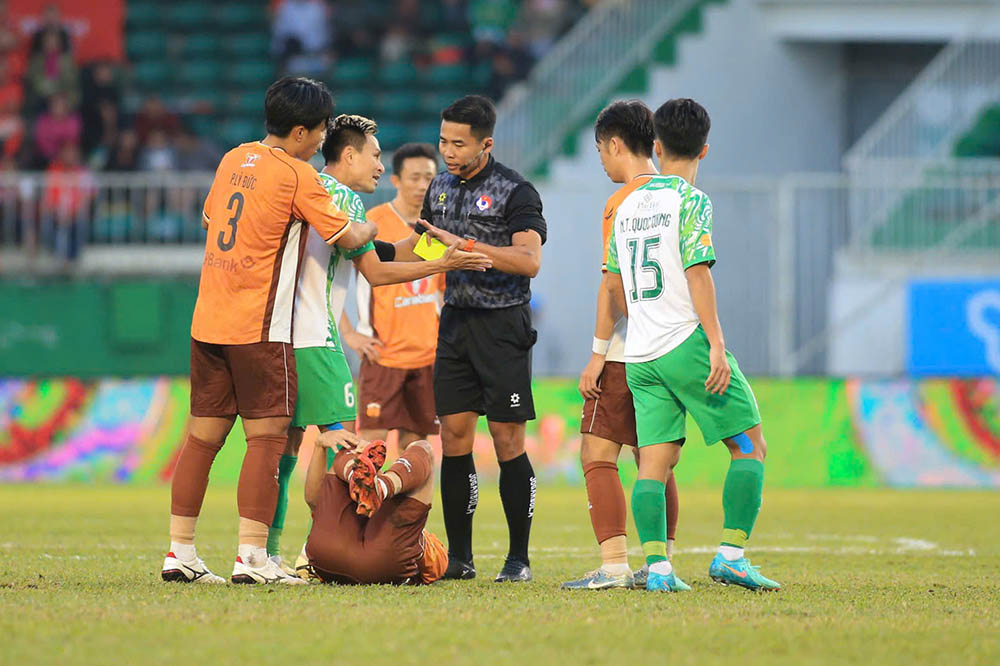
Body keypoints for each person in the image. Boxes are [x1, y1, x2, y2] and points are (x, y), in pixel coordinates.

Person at [160, 77, 377, 586]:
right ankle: (254, 558)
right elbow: (346, 233)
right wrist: (370, 230)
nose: (324, 140)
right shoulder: (299, 174)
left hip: (208, 320)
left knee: (201, 440)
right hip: (261, 326)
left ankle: (180, 552)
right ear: (300, 131)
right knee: (268, 441)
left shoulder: (233, 158)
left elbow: (211, 217)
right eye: (321, 131)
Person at [261, 115, 490, 573]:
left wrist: (424, 245)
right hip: (317, 340)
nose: (380, 167)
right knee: (339, 447)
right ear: (349, 156)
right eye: (376, 156)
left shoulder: (311, 192)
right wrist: (440, 265)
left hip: (278, 335)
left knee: (287, 449)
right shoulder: (342, 197)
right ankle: (312, 551)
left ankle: (264, 552)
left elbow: (380, 254)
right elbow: (378, 274)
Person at [600, 98, 780, 591]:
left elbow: (614, 285)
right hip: (686, 343)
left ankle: (658, 569)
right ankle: (731, 555)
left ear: (655, 146)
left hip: (640, 353)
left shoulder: (627, 203)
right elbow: (698, 272)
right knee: (750, 445)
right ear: (705, 149)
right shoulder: (692, 201)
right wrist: (716, 344)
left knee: (653, 463)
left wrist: (642, 325)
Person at [389, 95, 546, 582]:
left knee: (506, 438)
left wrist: (470, 246)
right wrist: (365, 251)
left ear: (486, 144)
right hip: (455, 323)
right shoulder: (437, 187)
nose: (448, 152)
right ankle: (461, 559)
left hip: (503, 326)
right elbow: (420, 244)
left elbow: (529, 261)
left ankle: (517, 559)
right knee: (454, 438)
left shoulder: (516, 191)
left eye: (458, 144)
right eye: (443, 141)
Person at [562, 100, 683, 591]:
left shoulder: (621, 203)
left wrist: (596, 352)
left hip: (629, 348)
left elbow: (613, 286)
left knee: (597, 451)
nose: (603, 162)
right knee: (652, 459)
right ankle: (661, 564)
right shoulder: (682, 195)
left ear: (614, 145)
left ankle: (613, 566)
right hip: (674, 344)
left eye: (600, 151)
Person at [343, 142, 443, 458]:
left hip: (428, 359)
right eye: (414, 177)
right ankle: (365, 509)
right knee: (371, 447)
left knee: (416, 451)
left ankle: (409, 511)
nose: (422, 185)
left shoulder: (439, 229)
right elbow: (331, 281)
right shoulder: (373, 222)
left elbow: (442, 289)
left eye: (429, 177)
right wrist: (349, 333)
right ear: (396, 180)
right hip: (381, 357)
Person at [301, 429, 448, 585]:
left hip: (325, 557)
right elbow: (435, 568)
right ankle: (383, 486)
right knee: (423, 448)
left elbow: (313, 501)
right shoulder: (426, 545)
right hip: (381, 565)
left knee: (354, 448)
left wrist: (319, 446)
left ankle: (356, 475)